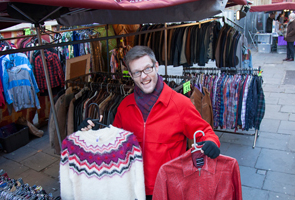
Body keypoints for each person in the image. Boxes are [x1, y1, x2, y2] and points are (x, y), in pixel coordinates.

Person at [80, 46, 221, 199]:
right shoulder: (124, 106)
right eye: (137, 72)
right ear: (131, 75)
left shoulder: (180, 104)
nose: (144, 77)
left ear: (156, 66)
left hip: (169, 187)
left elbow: (204, 132)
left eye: (147, 69)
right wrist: (92, 134)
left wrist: (211, 142)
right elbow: (114, 143)